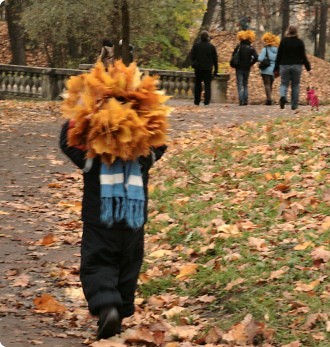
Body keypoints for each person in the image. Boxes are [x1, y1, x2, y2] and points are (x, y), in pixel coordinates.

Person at [59, 120, 167, 340]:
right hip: (133, 211)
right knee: (129, 260)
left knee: (98, 260)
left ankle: (108, 304)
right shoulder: (144, 119)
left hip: (100, 212)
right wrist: (146, 159)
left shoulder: (91, 131)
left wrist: (78, 120)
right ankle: (120, 306)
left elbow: (68, 140)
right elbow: (160, 141)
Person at [274, 24, 311, 110]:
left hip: (284, 65)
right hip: (297, 66)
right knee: (295, 85)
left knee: (284, 83)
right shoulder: (299, 42)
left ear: (288, 31)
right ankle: (294, 105)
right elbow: (303, 56)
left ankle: (283, 96)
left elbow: (279, 55)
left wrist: (276, 68)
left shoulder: (283, 41)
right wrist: (308, 68)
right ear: (296, 31)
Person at [188, 31, 219, 106]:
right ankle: (207, 101)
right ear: (207, 37)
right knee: (207, 85)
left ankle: (197, 100)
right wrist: (216, 69)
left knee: (198, 84)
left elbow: (191, 56)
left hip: (198, 68)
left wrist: (194, 63)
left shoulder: (196, 46)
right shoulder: (211, 47)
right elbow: (215, 59)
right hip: (208, 68)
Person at [231, 30, 258, 106]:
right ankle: (245, 100)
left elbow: (233, 56)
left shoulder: (238, 47)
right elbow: (256, 57)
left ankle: (241, 101)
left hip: (239, 68)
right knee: (245, 84)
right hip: (247, 68)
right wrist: (251, 63)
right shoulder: (251, 48)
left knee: (240, 84)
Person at [258, 32, 279, 105]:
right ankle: (268, 99)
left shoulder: (265, 49)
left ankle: (269, 99)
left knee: (267, 84)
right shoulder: (277, 50)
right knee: (270, 85)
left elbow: (260, 59)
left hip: (265, 70)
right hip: (274, 70)